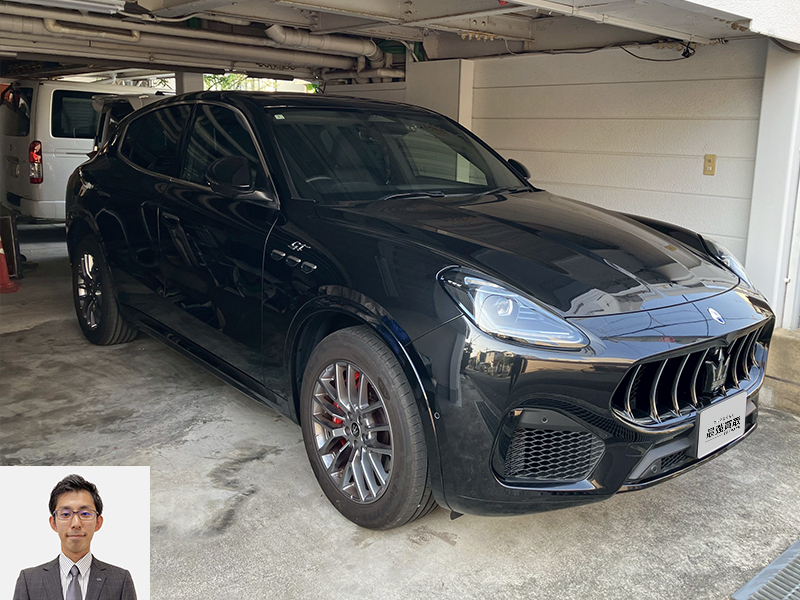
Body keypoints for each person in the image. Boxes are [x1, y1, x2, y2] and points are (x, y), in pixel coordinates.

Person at [13, 474, 137, 600]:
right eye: (66, 514)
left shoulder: (120, 580)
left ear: (98, 522)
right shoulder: (29, 581)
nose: (76, 523)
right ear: (53, 523)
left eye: (85, 513)